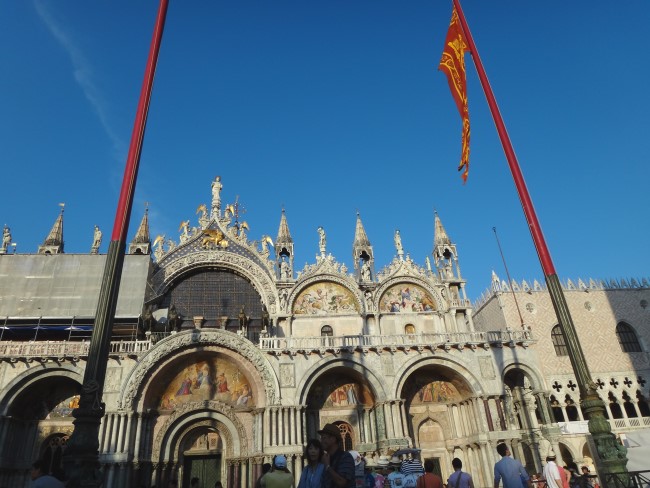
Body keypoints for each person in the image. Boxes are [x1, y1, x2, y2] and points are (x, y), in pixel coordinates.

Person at [319, 423, 355, 488]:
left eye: (324, 438)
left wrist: (327, 466)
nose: (321, 441)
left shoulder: (346, 457)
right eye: (321, 438)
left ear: (333, 439)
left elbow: (342, 482)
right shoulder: (325, 458)